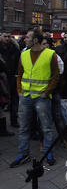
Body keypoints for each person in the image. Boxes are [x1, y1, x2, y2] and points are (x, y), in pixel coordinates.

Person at [10, 30, 59, 168]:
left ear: (35, 40)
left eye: (28, 37)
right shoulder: (24, 54)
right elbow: (19, 74)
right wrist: (19, 90)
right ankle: (23, 153)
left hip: (42, 97)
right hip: (26, 96)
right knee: (24, 127)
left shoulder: (50, 54)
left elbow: (55, 76)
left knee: (46, 127)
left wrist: (47, 92)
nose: (25, 39)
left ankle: (48, 152)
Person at [42, 37, 67, 149]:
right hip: (39, 93)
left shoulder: (55, 57)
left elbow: (60, 75)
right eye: (42, 43)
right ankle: (44, 142)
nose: (44, 46)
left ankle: (63, 139)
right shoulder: (34, 56)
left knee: (58, 117)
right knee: (42, 118)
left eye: (45, 44)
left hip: (53, 91)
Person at [0, 31, 20, 128]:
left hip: (12, 77)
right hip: (2, 77)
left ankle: (14, 120)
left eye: (8, 36)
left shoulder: (14, 48)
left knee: (14, 101)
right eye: (5, 36)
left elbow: (18, 63)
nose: (7, 38)